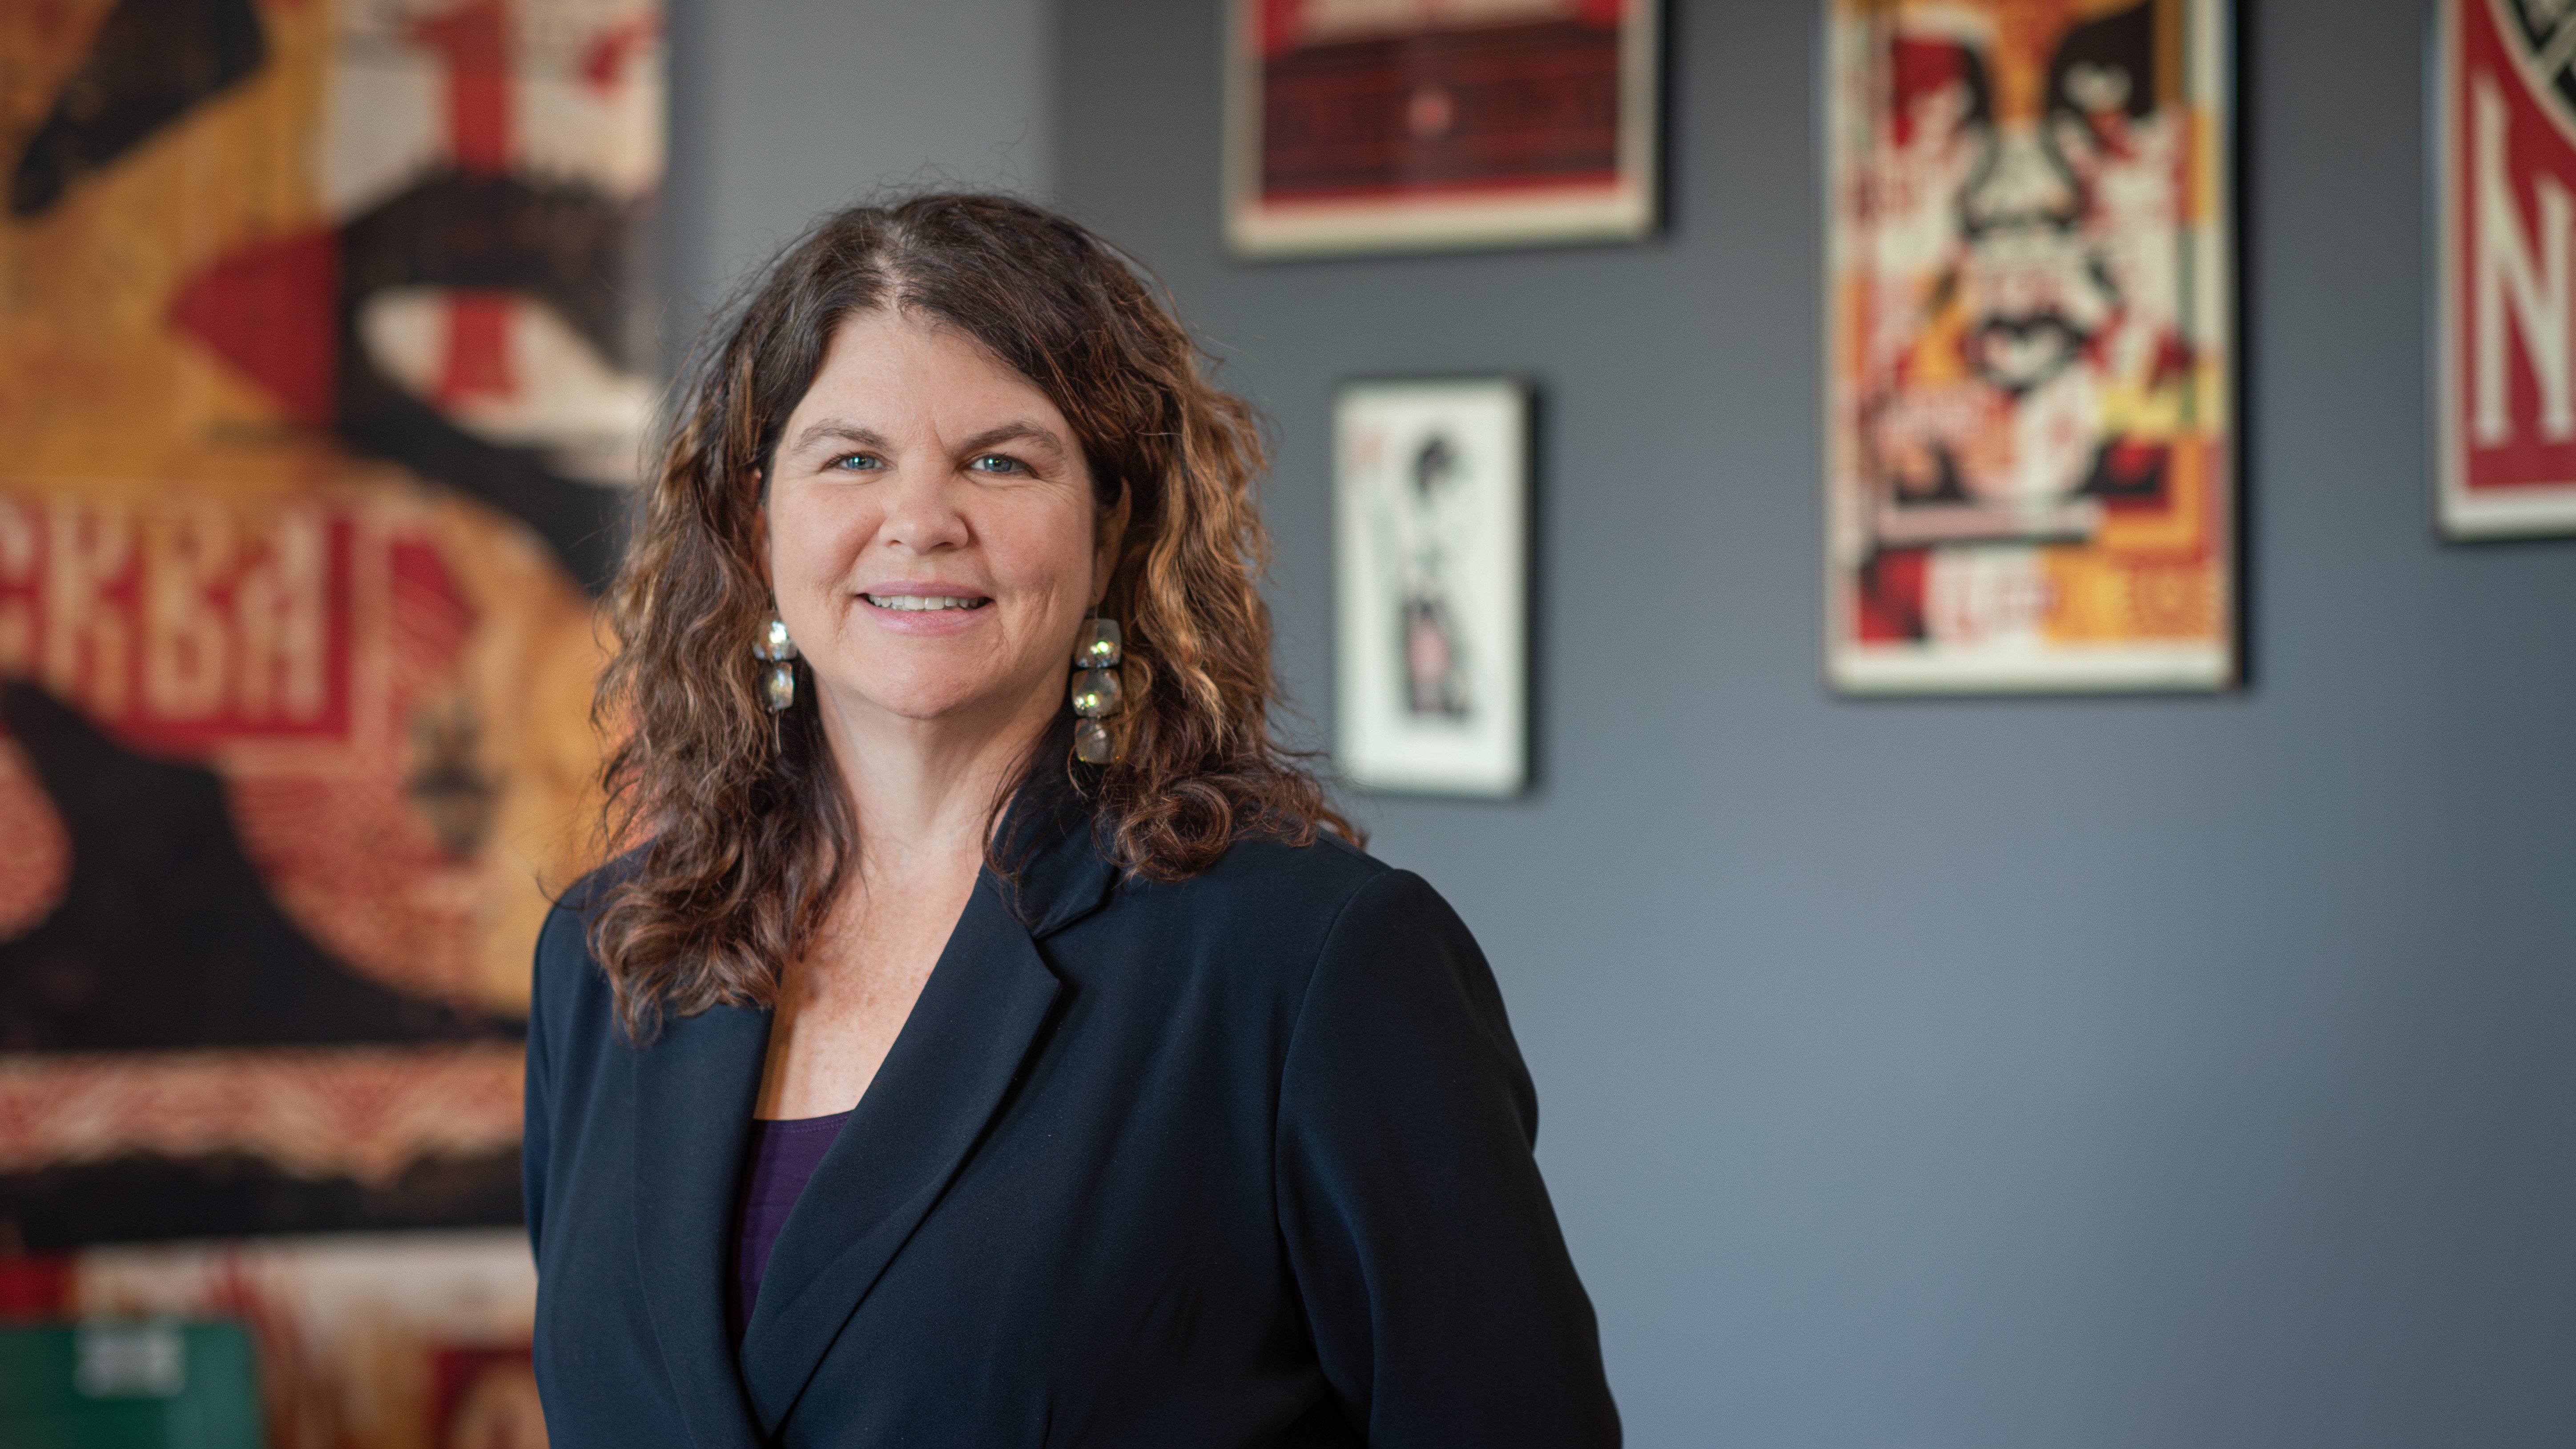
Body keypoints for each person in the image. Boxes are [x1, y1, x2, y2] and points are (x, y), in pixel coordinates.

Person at [520, 193, 1618, 1448]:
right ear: (752, 519)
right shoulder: (608, 959)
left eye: (1001, 459)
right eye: (852, 457)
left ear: (1115, 521)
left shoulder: (1310, 966)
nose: (922, 518)